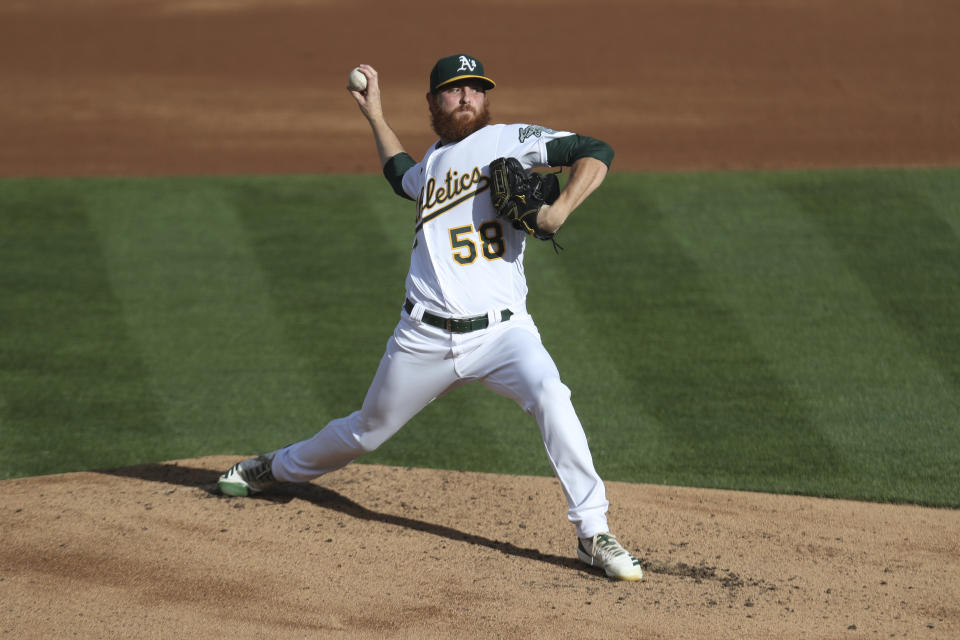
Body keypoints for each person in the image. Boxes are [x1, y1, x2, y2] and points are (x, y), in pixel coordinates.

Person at [218, 54, 642, 581]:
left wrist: (558, 211)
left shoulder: (509, 140)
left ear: (486, 100)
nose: (466, 97)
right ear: (433, 102)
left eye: (475, 89)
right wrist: (375, 116)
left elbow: (595, 151)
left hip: (504, 333)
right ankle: (273, 467)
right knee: (365, 432)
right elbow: (401, 177)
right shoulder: (434, 163)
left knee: (552, 394)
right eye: (454, 89)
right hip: (422, 338)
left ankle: (593, 532)